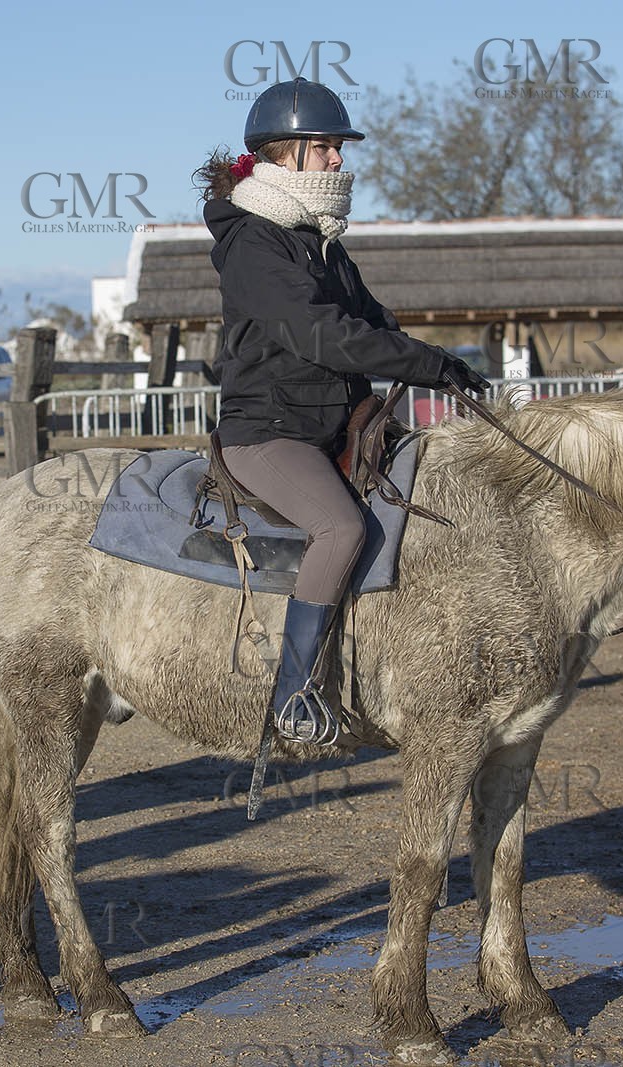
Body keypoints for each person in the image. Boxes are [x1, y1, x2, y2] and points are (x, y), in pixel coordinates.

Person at [196, 78, 489, 746]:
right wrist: (428, 367)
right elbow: (322, 334)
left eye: (337, 148)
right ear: (284, 153)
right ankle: (293, 697)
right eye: (326, 147)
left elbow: (370, 321)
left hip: (333, 426)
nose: (338, 160)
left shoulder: (321, 239)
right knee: (340, 528)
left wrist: (438, 359)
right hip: (268, 433)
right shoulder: (255, 242)